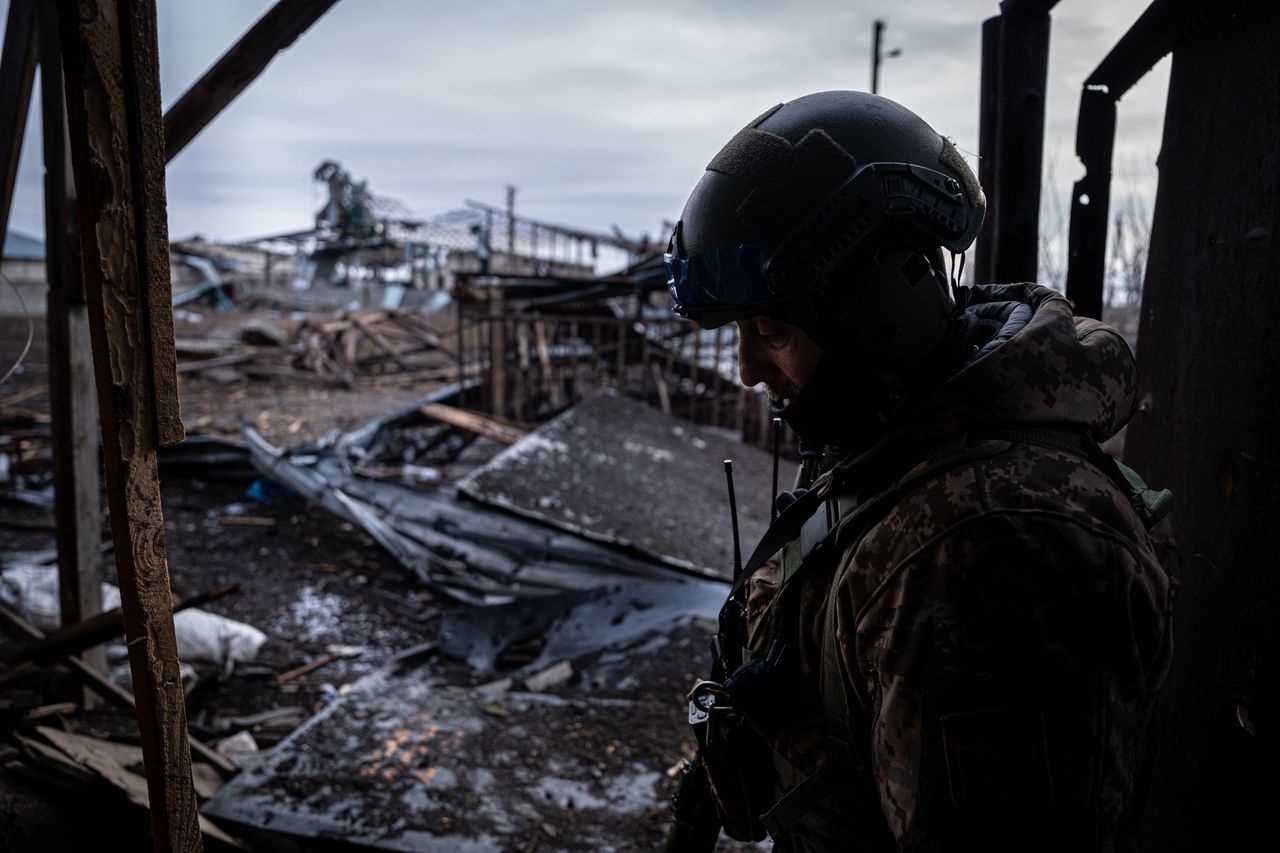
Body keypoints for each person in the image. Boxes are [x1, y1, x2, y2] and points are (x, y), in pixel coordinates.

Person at [665, 91, 1175, 852]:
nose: (744, 368)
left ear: (879, 312)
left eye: (770, 329)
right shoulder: (895, 441)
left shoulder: (992, 547)